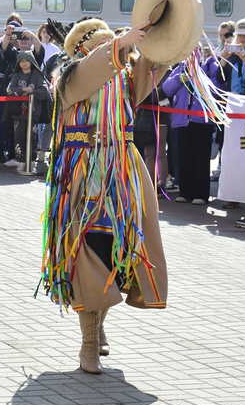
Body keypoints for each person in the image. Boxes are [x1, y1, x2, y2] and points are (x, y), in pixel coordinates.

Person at [40, 19, 168, 375]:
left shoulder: (124, 80)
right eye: (108, 44)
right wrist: (121, 44)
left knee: (118, 252)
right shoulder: (68, 78)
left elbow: (155, 62)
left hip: (123, 176)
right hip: (84, 178)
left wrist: (165, 35)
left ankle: (96, 326)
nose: (120, 51)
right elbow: (92, 69)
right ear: (83, 49)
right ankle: (89, 343)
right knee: (86, 253)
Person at [161, 54, 220, 205]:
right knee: (184, 156)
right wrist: (180, 78)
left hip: (201, 120)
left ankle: (201, 194)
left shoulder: (209, 65)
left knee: (200, 158)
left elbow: (216, 88)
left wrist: (201, 77)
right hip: (182, 120)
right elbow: (166, 88)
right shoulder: (180, 67)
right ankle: (185, 192)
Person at [6, 51, 50, 170]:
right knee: (18, 136)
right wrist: (23, 90)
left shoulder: (38, 75)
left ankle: (31, 160)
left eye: (26, 61)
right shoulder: (16, 75)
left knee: (32, 136)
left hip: (33, 113)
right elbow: (9, 89)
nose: (24, 64)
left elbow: (44, 92)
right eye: (21, 61)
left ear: (31, 62)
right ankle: (20, 160)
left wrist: (32, 91)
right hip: (18, 112)